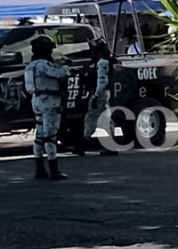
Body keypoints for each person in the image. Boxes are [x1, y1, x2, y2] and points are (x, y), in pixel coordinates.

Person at [24, 35, 71, 181]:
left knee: (39, 135)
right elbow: (60, 73)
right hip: (50, 101)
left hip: (36, 101)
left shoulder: (30, 66)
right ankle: (54, 170)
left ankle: (39, 169)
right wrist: (66, 66)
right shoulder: (44, 65)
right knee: (50, 136)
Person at [81, 38, 118, 156]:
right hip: (103, 93)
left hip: (100, 93)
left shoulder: (102, 63)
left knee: (91, 118)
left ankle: (83, 143)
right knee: (105, 119)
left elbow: (102, 81)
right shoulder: (102, 62)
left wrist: (96, 96)